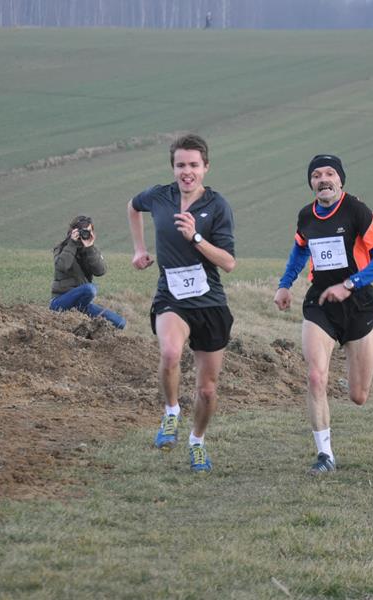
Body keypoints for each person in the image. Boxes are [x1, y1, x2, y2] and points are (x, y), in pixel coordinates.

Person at [274, 154, 373, 475]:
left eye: (330, 173)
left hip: (359, 305)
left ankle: (353, 369)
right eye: (316, 175)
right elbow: (300, 249)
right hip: (321, 303)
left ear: (340, 180)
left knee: (358, 396)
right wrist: (285, 284)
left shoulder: (358, 211)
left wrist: (350, 284)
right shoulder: (306, 216)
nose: (323, 179)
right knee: (316, 376)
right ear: (311, 183)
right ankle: (325, 455)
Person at [127, 133, 236, 473]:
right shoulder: (160, 197)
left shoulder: (217, 206)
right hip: (171, 296)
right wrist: (139, 249)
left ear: (205, 168)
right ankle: (171, 411)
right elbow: (133, 207)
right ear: (173, 168)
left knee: (207, 391)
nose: (187, 171)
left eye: (193, 165)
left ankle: (197, 442)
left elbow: (228, 262)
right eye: (180, 165)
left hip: (210, 303)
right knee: (171, 353)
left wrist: (196, 237)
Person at [50, 215, 126, 329]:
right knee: (90, 288)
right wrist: (72, 243)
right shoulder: (61, 248)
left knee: (120, 323)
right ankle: (79, 311)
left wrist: (89, 248)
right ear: (74, 231)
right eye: (83, 231)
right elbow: (62, 266)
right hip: (60, 302)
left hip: (82, 304)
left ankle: (79, 311)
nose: (85, 234)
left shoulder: (91, 250)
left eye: (89, 231)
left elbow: (100, 271)